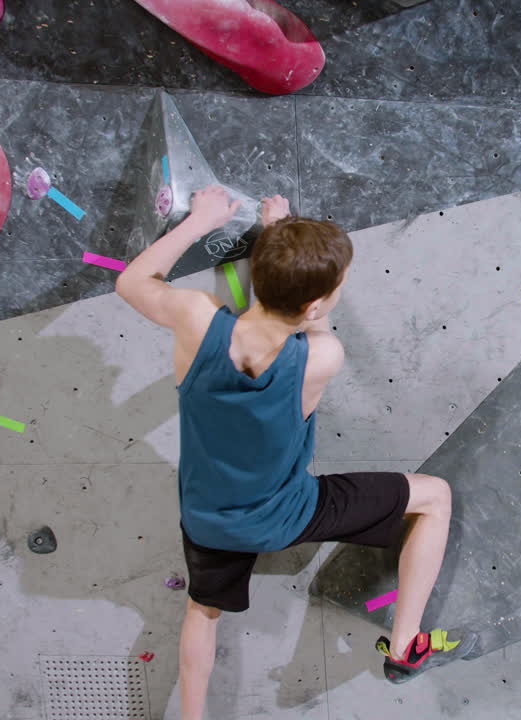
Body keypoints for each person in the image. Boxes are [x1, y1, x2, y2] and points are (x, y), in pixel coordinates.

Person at [115, 185, 476, 720]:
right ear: (313, 305)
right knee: (435, 497)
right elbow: (311, 332)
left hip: (208, 518)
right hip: (286, 515)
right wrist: (281, 234)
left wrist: (204, 222)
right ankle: (404, 646)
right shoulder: (321, 357)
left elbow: (132, 282)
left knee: (202, 611)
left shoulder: (195, 317)